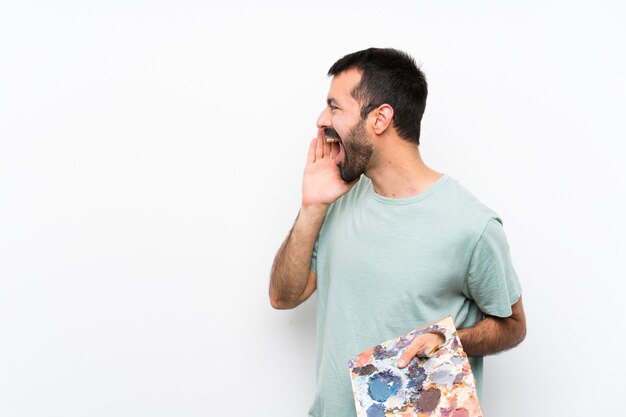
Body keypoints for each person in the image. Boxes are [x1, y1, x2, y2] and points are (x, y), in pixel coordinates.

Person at [269, 47, 526, 417]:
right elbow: (283, 297)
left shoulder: (471, 225)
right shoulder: (337, 200)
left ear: (380, 118)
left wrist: (447, 339)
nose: (321, 119)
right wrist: (311, 207)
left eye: (335, 107)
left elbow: (513, 325)